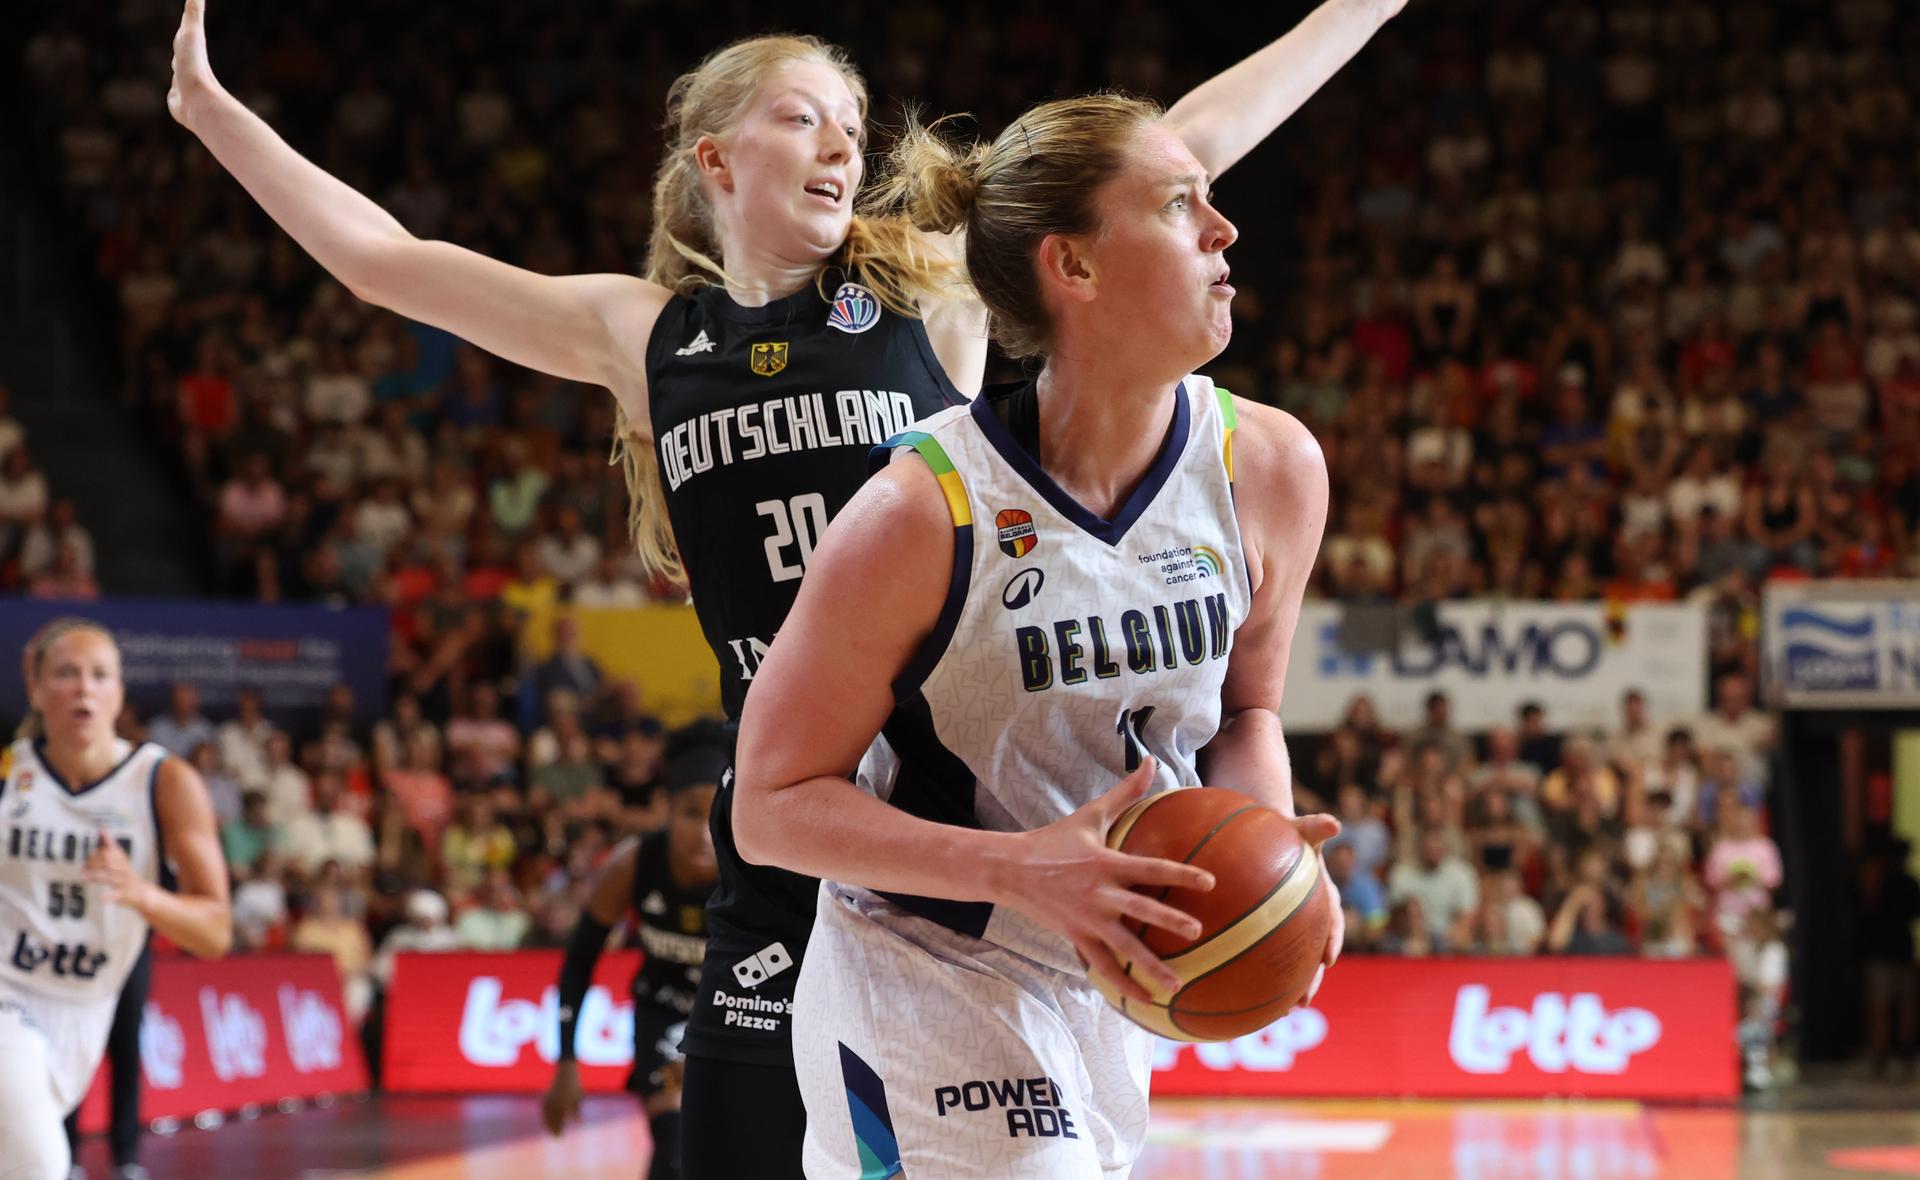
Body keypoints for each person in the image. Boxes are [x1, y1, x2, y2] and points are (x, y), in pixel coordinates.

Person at [168, 0, 1404, 1169]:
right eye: (805, 116)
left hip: (952, 804)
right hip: (788, 825)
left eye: (855, 130)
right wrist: (214, 115)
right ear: (715, 154)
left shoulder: (924, 287)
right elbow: (385, 260)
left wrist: (1357, 15)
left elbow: (1165, 154)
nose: (840, 144)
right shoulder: (644, 334)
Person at [732, 95, 1344, 1177]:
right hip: (920, 969)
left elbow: (1246, 711)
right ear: (1077, 267)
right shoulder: (922, 512)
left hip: (1106, 979)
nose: (1224, 228)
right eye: (1176, 204)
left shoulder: (1272, 468)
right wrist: (1017, 868)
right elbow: (769, 806)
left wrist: (1270, 847)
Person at [1, 620, 231, 1180]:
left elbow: (216, 932)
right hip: (8, 993)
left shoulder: (162, 781)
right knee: (40, 1163)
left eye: (100, 675)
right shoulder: (9, 773)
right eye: (66, 674)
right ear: (35, 689)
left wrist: (142, 893)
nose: (84, 688)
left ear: (119, 694)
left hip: (86, 1006)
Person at [541, 746, 724, 1180]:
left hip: (728, 1012)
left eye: (715, 813)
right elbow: (579, 959)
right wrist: (567, 1061)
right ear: (664, 808)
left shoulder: (751, 865)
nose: (702, 832)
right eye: (689, 814)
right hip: (661, 1008)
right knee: (675, 1148)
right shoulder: (632, 864)